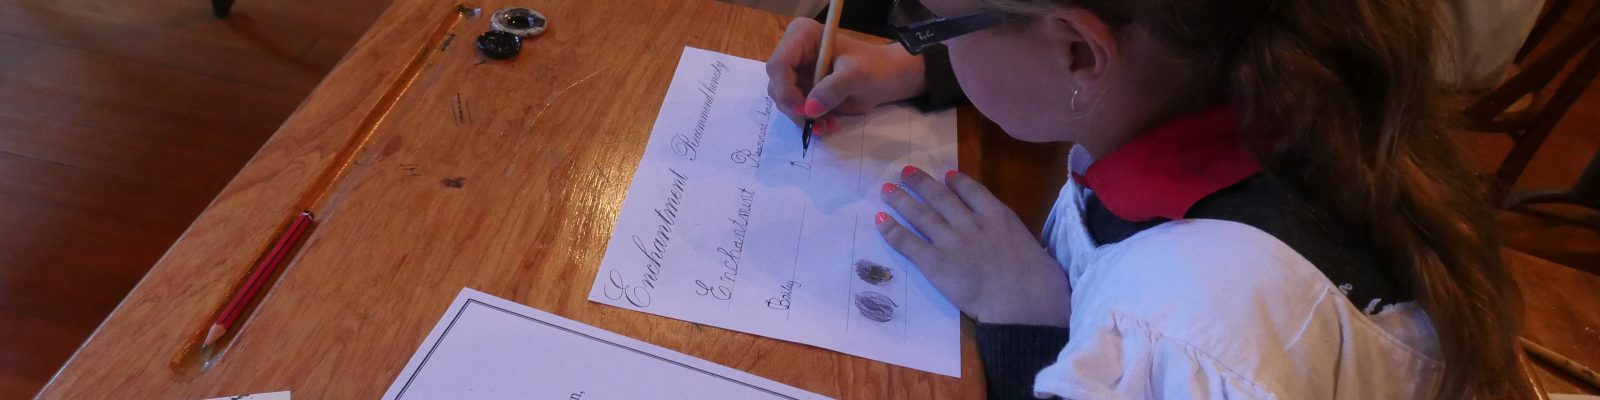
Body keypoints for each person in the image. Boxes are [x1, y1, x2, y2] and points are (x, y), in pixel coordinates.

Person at [765, 0, 1530, 398]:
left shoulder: (1184, 331)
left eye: (930, 27)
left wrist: (1033, 322)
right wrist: (918, 69)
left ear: (1077, 49)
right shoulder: (1279, 79)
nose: (922, 40)